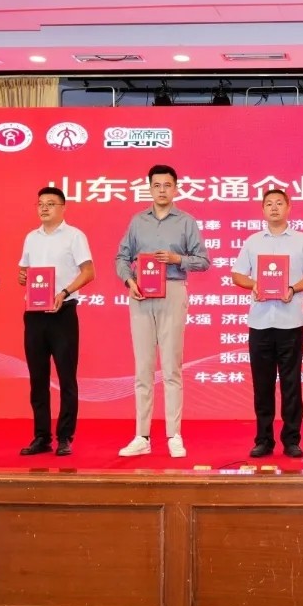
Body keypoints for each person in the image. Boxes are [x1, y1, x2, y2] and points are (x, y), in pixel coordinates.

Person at [115, 164, 210, 458]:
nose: (162, 190)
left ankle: (174, 435)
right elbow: (121, 257)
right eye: (156, 185)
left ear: (175, 188)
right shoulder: (137, 221)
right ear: (149, 188)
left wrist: (176, 259)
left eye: (167, 185)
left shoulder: (186, 221)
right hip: (141, 294)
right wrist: (129, 281)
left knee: (171, 367)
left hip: (173, 290)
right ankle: (141, 436)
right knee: (143, 368)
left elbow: (203, 261)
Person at [232, 189, 303, 458]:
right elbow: (237, 275)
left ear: (288, 207)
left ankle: (292, 440)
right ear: (263, 210)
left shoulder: (302, 241)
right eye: (269, 204)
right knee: (262, 386)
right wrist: (254, 284)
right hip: (260, 322)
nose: (274, 208)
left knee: (291, 384)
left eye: (279, 203)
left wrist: (293, 289)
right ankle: (263, 440)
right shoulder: (252, 242)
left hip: (290, 321)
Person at [17, 187, 95, 457]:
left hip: (63, 313)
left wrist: (64, 292)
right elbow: (24, 272)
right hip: (34, 314)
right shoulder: (31, 237)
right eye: (40, 203)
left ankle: (64, 437)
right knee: (37, 378)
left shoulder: (74, 236)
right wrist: (22, 277)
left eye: (50, 203)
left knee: (66, 377)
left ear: (63, 207)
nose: (44, 208)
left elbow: (89, 272)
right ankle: (41, 437)